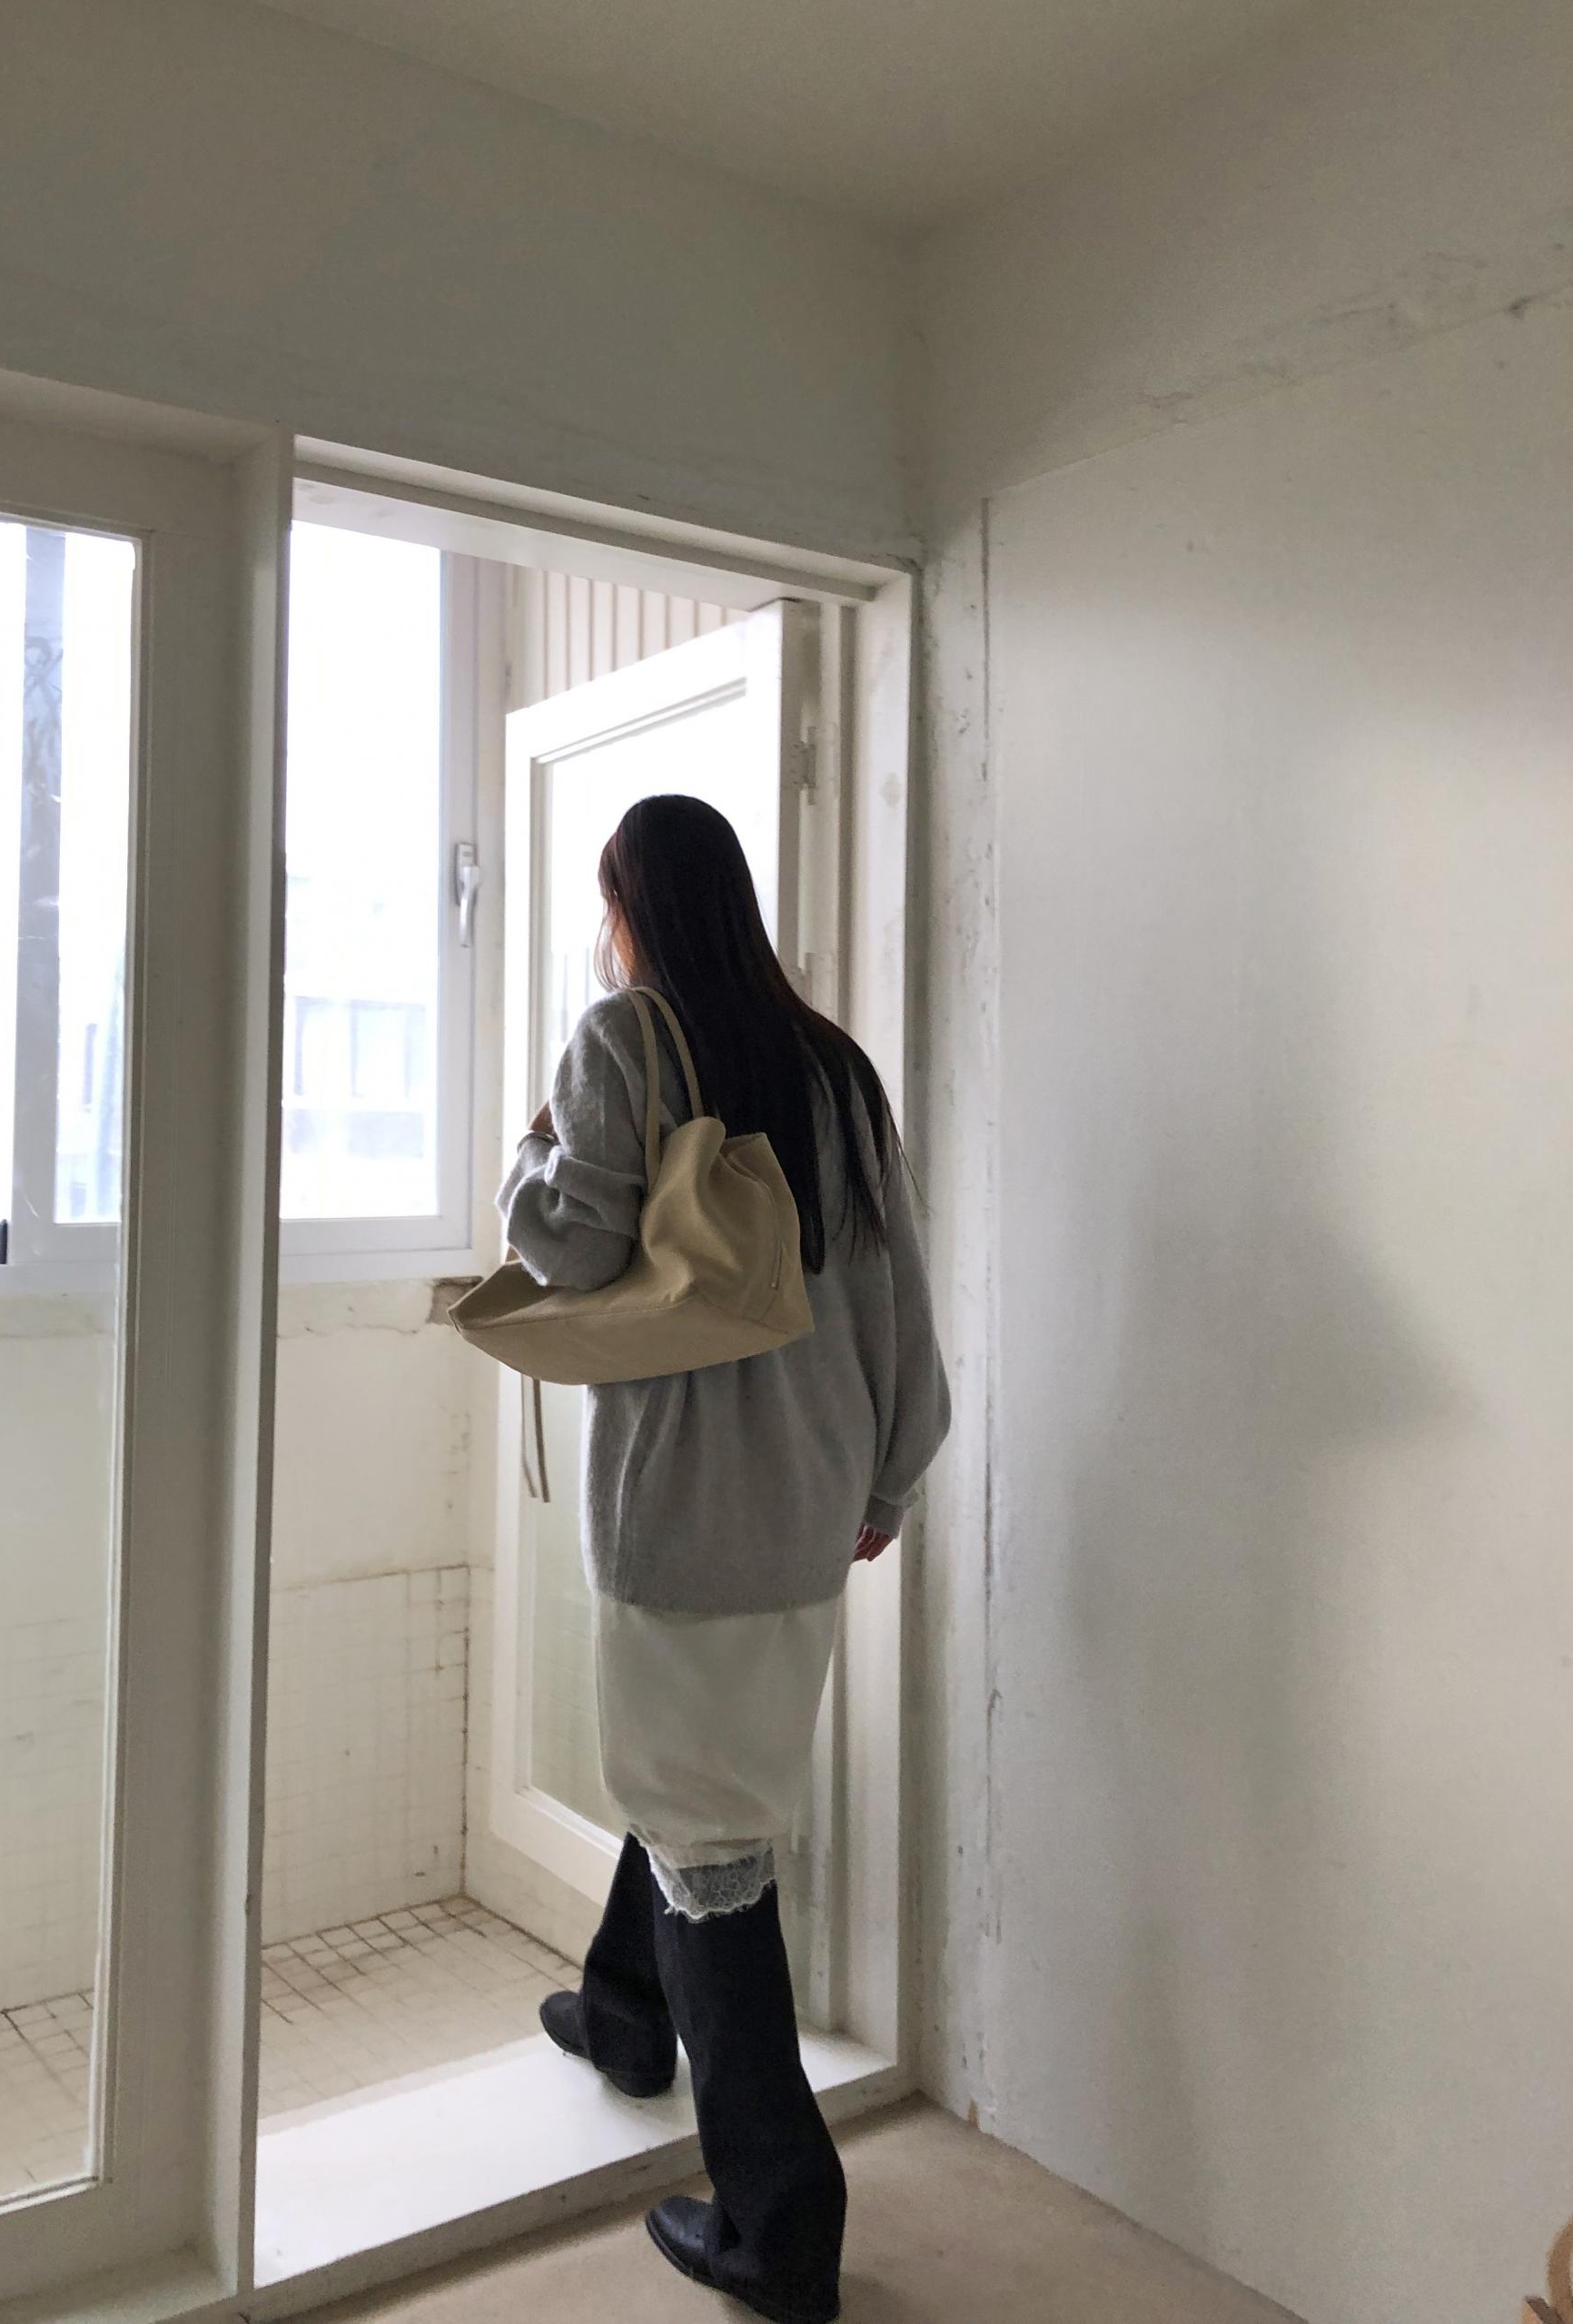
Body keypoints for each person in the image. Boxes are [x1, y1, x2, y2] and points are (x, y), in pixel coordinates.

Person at [498, 793, 950, 2324]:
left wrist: (528, 1150)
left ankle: (781, 2224)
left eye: (608, 900)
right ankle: (628, 2014)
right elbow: (897, 1289)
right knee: (709, 1784)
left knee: (710, 1846)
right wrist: (891, 1470)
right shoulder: (831, 1065)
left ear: (635, 907)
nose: (605, 927)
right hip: (813, 1499)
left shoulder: (624, 1039)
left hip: (682, 1512)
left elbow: (567, 1246)